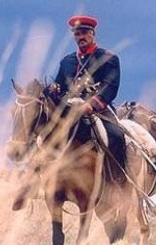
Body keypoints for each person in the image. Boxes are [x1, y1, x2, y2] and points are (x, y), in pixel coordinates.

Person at [48, 15, 126, 182]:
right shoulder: (66, 61)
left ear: (92, 33)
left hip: (100, 110)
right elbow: (59, 85)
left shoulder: (108, 58)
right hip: (70, 109)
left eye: (84, 32)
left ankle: (118, 180)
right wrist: (53, 90)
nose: (80, 37)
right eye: (77, 34)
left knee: (116, 135)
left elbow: (110, 86)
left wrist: (93, 104)